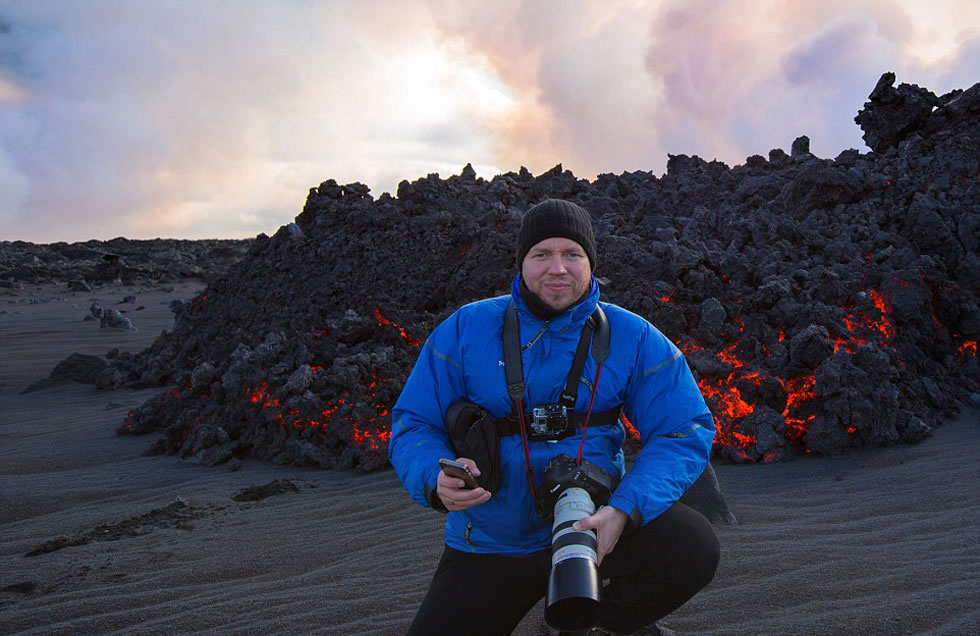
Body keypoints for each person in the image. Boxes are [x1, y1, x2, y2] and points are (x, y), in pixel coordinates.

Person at [388, 199, 720, 635]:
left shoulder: (633, 336)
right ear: (522, 262)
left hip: (595, 531)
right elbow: (414, 422)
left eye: (572, 254)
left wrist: (624, 510)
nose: (557, 268)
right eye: (541, 254)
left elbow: (684, 429)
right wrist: (434, 478)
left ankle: (598, 625)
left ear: (591, 262)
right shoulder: (465, 329)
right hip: (491, 542)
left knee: (693, 547)